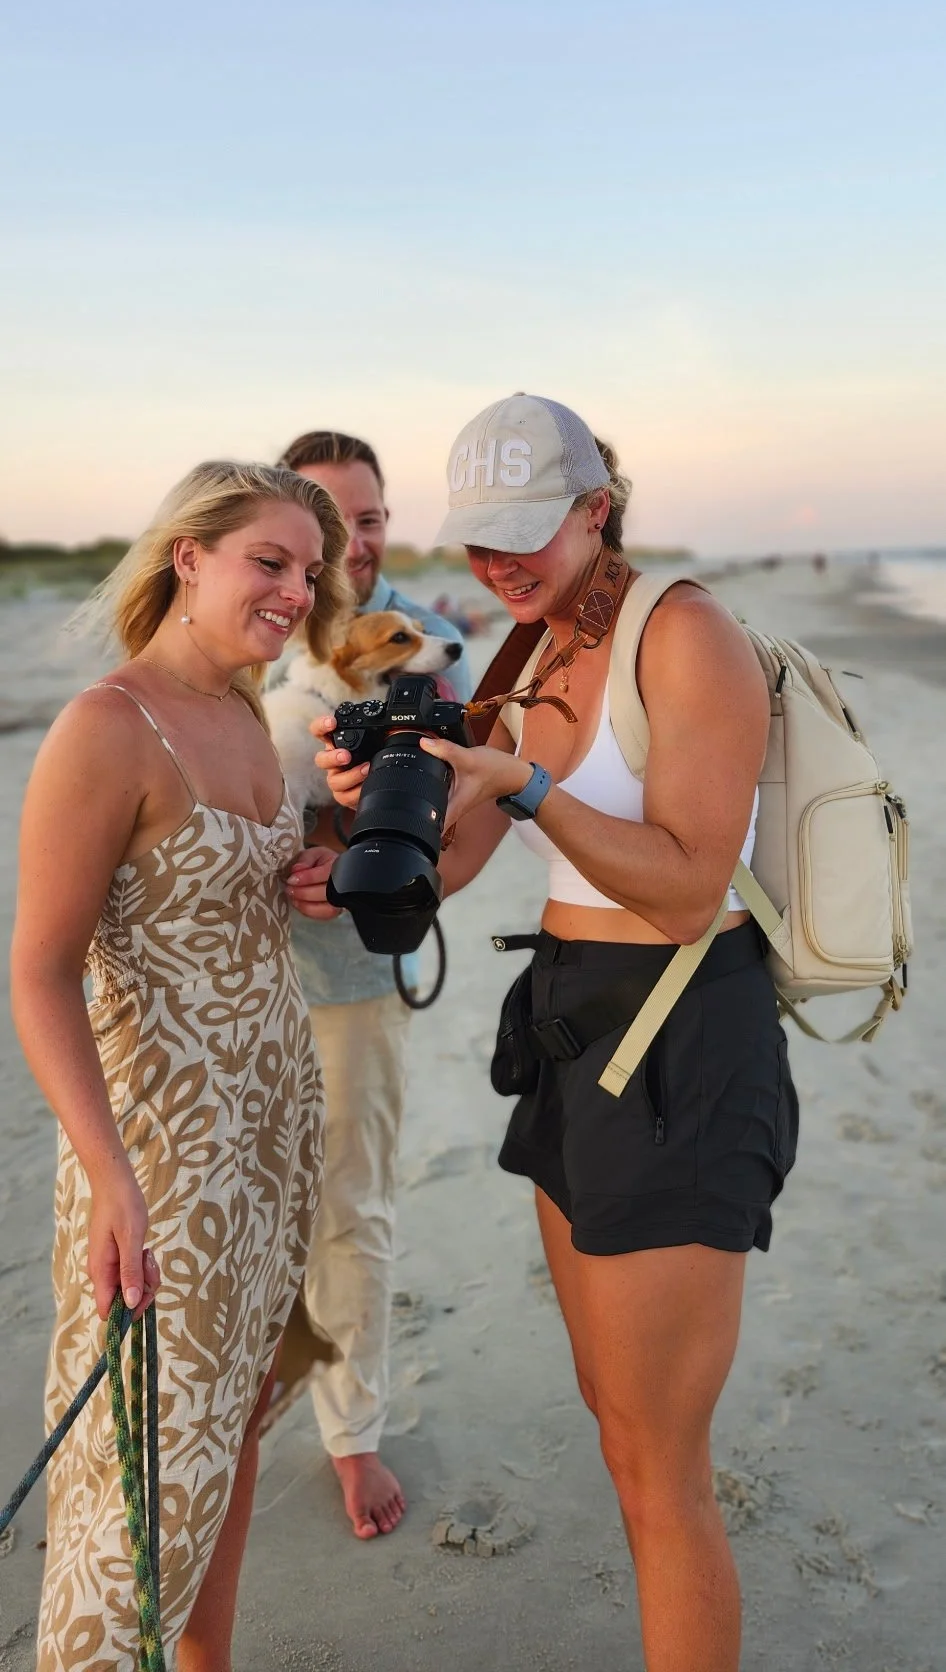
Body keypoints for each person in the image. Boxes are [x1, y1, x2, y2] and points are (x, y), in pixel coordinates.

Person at [308, 394, 799, 1672]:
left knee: (662, 1455)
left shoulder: (682, 633)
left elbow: (691, 882)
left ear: (599, 506)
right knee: (612, 1418)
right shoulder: (524, 650)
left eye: (528, 532)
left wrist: (519, 778)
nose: (500, 565)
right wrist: (382, 812)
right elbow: (459, 865)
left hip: (684, 1031)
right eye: (478, 541)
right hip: (571, 1022)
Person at [10, 461, 350, 1672]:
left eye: (309, 571)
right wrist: (108, 1177)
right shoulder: (109, 725)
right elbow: (39, 969)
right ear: (186, 557)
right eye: (270, 560)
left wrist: (303, 879)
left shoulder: (248, 711)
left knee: (234, 1420)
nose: (295, 590)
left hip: (270, 1134)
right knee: (144, 1467)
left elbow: (216, 906)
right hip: (161, 1159)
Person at [273, 428, 472, 1541]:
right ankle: (257, 1376)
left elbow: (463, 807)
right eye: (330, 516)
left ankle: (351, 1431)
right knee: (248, 1206)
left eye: (373, 515)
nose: (356, 537)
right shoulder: (253, 620)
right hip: (232, 975)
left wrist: (348, 837)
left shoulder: (427, 639)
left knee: (351, 1205)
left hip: (350, 969)